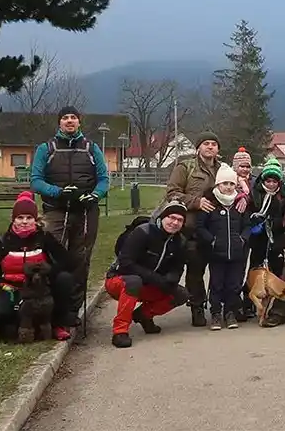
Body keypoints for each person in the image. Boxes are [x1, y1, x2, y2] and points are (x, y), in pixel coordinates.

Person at [29, 106, 109, 328]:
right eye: (65, 118)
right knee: (50, 258)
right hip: (56, 210)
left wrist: (94, 195)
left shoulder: (91, 149)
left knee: (80, 260)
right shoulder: (46, 149)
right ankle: (48, 307)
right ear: (59, 123)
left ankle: (72, 311)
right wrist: (57, 192)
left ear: (79, 122)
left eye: (73, 117)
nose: (70, 121)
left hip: (85, 212)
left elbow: (103, 178)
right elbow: (35, 180)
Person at [0, 192, 77, 340]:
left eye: (29, 218)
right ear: (13, 219)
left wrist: (49, 271)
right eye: (20, 217)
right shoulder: (2, 241)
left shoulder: (44, 238)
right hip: (10, 289)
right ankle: (11, 324)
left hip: (39, 290)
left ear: (35, 220)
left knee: (65, 279)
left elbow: (68, 262)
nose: (24, 222)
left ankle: (57, 323)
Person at [104, 201, 189, 348]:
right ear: (162, 217)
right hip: (119, 281)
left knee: (181, 294)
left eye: (180, 220)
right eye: (171, 217)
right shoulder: (143, 232)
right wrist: (155, 279)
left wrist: (172, 278)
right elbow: (126, 263)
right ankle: (120, 331)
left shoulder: (180, 241)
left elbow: (178, 267)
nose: (174, 222)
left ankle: (144, 316)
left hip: (149, 285)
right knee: (134, 281)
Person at [165, 130, 222, 326]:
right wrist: (196, 202)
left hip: (213, 228)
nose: (210, 147)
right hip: (188, 229)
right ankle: (196, 306)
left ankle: (218, 305)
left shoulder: (222, 169)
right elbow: (172, 193)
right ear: (198, 147)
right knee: (194, 270)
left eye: (213, 144)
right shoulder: (185, 167)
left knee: (215, 268)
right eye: (206, 143)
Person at [195, 164, 251, 330]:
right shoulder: (210, 204)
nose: (228, 187)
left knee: (234, 284)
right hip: (216, 254)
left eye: (231, 184)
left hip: (236, 253)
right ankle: (216, 313)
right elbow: (200, 226)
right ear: (218, 185)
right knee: (217, 284)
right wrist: (211, 240)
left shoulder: (239, 204)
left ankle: (230, 312)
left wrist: (242, 240)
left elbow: (247, 226)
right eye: (224, 184)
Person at [241, 156, 285, 319]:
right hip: (258, 239)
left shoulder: (283, 195)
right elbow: (247, 214)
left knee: (277, 272)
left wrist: (278, 222)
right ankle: (248, 303)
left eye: (275, 181)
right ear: (263, 180)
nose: (271, 184)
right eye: (268, 181)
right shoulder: (255, 194)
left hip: (277, 240)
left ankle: (278, 305)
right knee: (254, 272)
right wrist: (254, 220)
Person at [232, 147, 254, 213]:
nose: (245, 169)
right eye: (242, 166)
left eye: (247, 167)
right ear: (236, 167)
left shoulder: (253, 181)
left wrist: (246, 198)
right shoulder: (231, 180)